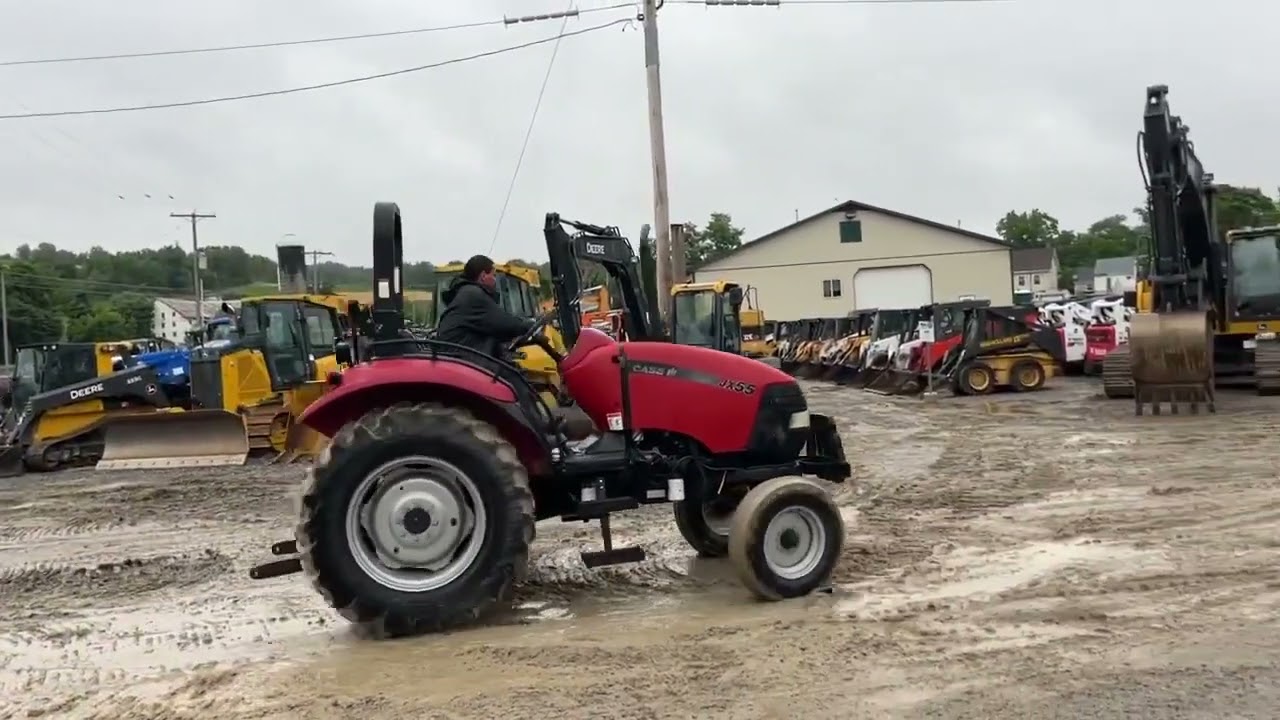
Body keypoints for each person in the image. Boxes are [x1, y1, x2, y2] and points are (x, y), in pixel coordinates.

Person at [435, 255, 535, 358]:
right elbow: (503, 323)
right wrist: (529, 325)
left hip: (458, 353)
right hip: (461, 357)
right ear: (483, 276)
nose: (495, 280)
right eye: (493, 275)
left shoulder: (465, 292)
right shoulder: (473, 295)